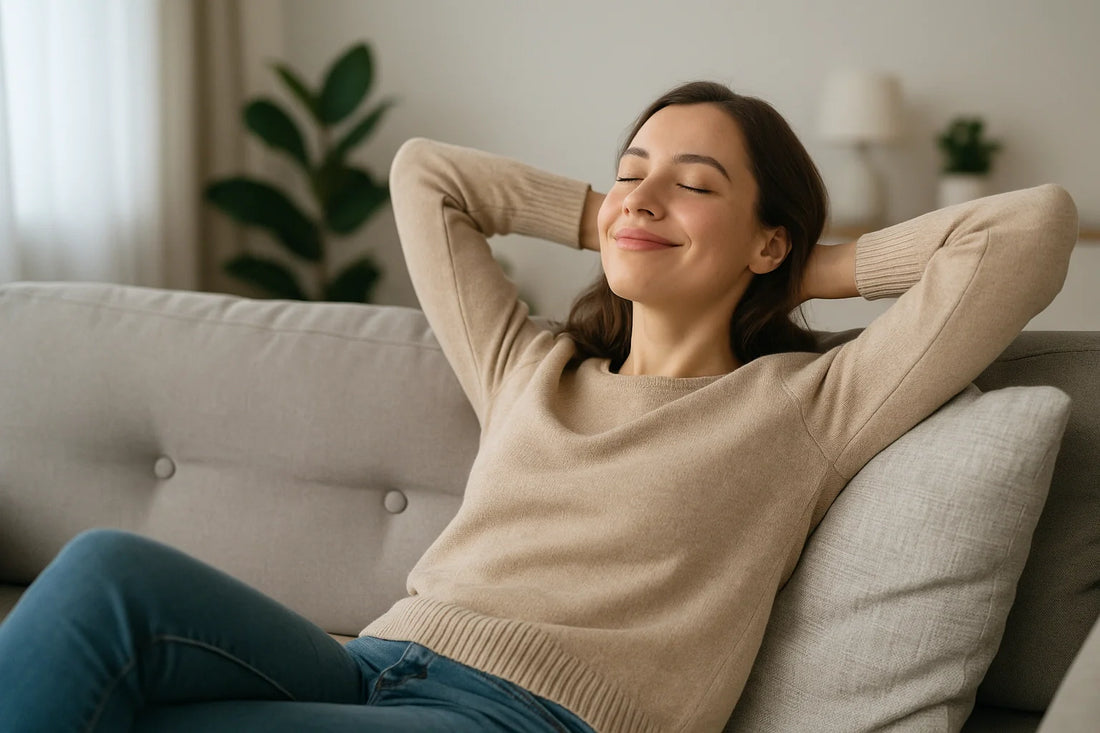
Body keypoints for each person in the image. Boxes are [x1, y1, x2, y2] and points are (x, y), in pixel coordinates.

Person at [0, 81, 1078, 733]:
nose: (644, 193)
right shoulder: (531, 364)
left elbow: (1027, 230)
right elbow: (427, 176)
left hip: (529, 717)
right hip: (370, 663)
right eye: (630, 171)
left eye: (695, 181)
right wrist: (616, 216)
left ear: (767, 239)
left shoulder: (808, 402)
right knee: (103, 574)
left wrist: (803, 265)